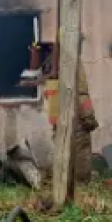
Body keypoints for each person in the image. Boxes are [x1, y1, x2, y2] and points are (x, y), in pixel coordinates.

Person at [42, 53, 98, 183]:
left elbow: (50, 93)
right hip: (75, 116)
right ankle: (80, 181)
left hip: (59, 112)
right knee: (81, 148)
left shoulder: (52, 61)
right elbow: (82, 92)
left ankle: (62, 179)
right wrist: (89, 117)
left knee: (61, 146)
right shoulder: (72, 61)